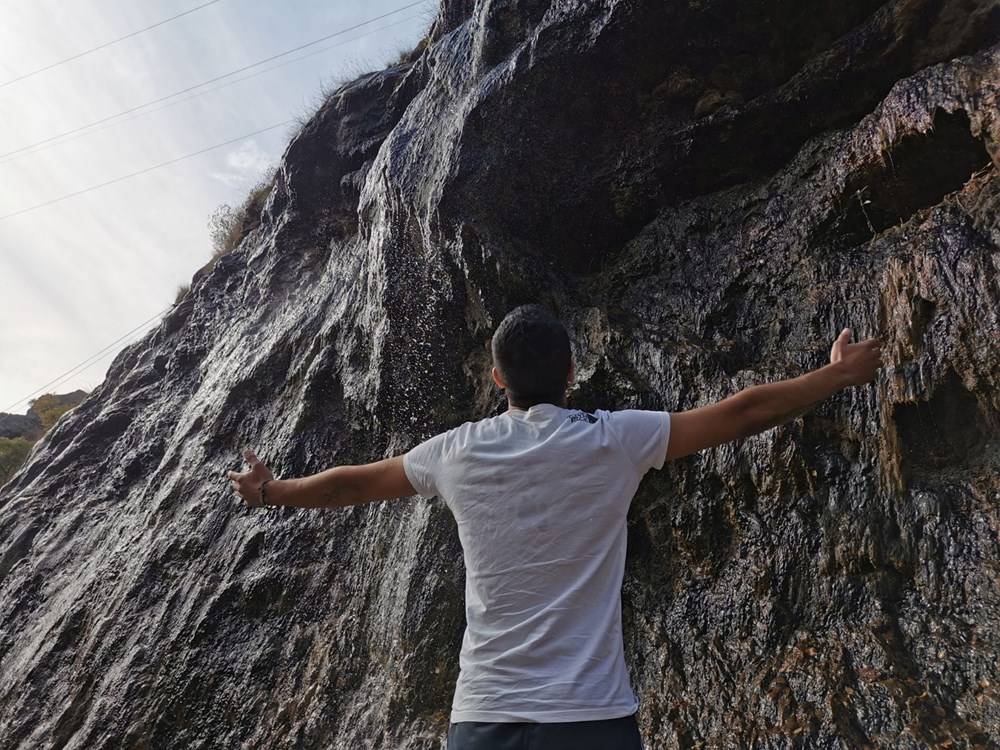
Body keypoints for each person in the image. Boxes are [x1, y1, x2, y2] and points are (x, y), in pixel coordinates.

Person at [227, 304, 883, 749]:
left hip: (483, 718)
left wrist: (271, 490)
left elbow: (354, 483)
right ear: (572, 374)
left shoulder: (454, 453)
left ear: (496, 378)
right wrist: (837, 373)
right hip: (589, 720)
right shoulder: (616, 440)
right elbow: (743, 412)